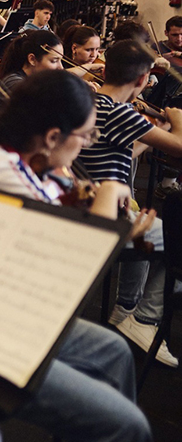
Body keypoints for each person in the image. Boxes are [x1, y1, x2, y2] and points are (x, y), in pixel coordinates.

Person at [0, 70, 152, 442]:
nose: (86, 145)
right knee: (129, 425)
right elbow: (76, 259)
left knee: (113, 350)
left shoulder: (26, 163)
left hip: (11, 310)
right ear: (51, 137)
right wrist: (110, 192)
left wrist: (103, 218)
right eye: (86, 136)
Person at [77, 40, 182, 367]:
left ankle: (125, 308)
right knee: (174, 237)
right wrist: (176, 120)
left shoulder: (91, 102)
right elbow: (179, 147)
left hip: (89, 202)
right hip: (105, 216)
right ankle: (145, 318)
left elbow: (116, 154)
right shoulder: (120, 110)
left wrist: (151, 136)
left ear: (105, 70)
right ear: (142, 80)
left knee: (148, 222)